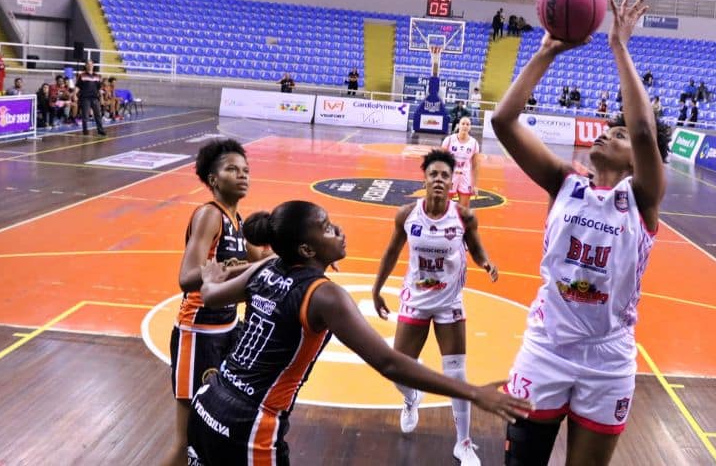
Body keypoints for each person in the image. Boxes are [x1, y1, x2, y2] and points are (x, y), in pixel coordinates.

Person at [187, 200, 528, 465]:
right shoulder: (324, 295)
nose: (339, 230)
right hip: (250, 424)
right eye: (327, 229)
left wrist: (213, 276)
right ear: (307, 251)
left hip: (207, 405)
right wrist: (473, 392)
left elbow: (213, 294)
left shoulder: (267, 267)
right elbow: (389, 363)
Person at [490, 0, 670, 466]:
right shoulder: (564, 182)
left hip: (608, 360)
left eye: (617, 133)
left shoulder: (643, 199)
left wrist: (619, 47)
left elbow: (644, 132)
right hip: (546, 346)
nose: (607, 132)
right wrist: (546, 52)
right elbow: (503, 120)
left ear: (638, 158)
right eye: (605, 129)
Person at [371, 150, 499, 465]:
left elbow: (478, 249)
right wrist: (376, 290)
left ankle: (464, 443)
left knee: (456, 373)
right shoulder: (406, 215)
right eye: (434, 174)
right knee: (397, 369)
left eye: (445, 175)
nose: (439, 180)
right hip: (415, 299)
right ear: (425, 179)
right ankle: (411, 398)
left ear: (453, 181)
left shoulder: (464, 217)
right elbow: (390, 253)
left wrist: (486, 263)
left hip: (449, 303)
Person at [169, 139, 268, 464]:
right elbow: (187, 277)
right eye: (232, 169)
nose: (242, 175)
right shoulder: (209, 216)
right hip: (197, 333)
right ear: (213, 179)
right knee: (186, 442)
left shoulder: (238, 221)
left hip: (227, 331)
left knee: (212, 431)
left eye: (246, 170)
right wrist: (234, 267)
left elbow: (265, 261)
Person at [442, 118, 481, 208]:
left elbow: (475, 166)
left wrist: (475, 185)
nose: (465, 126)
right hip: (451, 175)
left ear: (470, 127)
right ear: (458, 125)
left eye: (468, 124)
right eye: (463, 123)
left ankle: (460, 221)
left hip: (465, 176)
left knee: (464, 207)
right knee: (445, 205)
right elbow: (439, 160)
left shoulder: (474, 143)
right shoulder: (449, 140)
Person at [76, 60, 106, 136]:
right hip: (85, 98)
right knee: (85, 116)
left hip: (95, 98)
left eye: (91, 64)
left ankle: (100, 130)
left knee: (98, 115)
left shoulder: (97, 76)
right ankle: (85, 131)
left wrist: (101, 97)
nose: (90, 65)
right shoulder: (82, 75)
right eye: (88, 64)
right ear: (86, 66)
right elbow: (78, 87)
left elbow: (99, 88)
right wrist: (74, 95)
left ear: (93, 65)